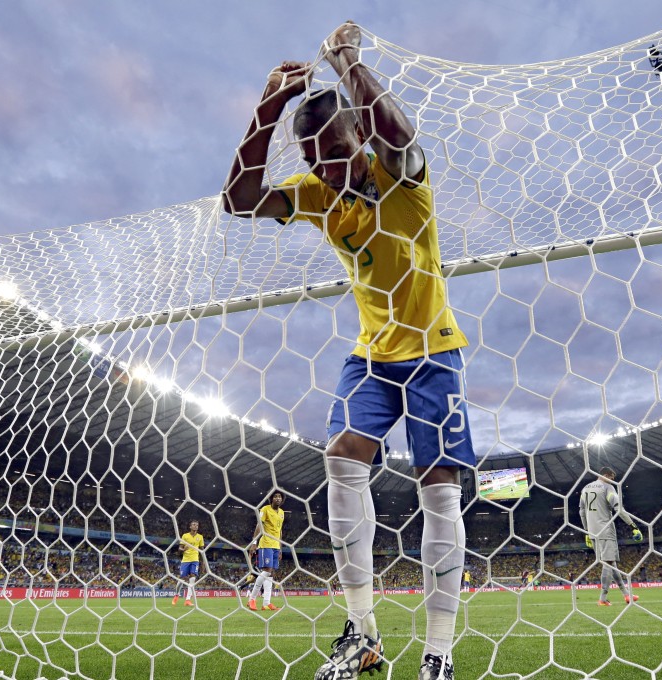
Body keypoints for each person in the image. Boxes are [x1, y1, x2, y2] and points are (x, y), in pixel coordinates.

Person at [222, 20, 474, 680]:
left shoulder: (401, 174)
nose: (326, 168)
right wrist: (269, 107)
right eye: (313, 159)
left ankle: (438, 655)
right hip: (370, 354)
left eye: (334, 151)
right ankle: (361, 636)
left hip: (431, 350)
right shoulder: (319, 194)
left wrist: (347, 65)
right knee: (340, 458)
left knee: (438, 486)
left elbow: (402, 136)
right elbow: (238, 198)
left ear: (358, 135)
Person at [580, 467, 643, 606]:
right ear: (606, 475)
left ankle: (626, 595)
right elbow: (618, 508)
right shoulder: (607, 487)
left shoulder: (585, 488)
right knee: (608, 563)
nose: (613, 480)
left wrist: (586, 531)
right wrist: (633, 526)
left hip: (592, 532)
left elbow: (582, 511)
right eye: (612, 477)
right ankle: (602, 599)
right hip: (605, 530)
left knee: (611, 564)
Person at [248, 491, 285, 612]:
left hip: (275, 545)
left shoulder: (282, 513)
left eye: (279, 497)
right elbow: (259, 525)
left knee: (271, 573)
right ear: (271, 499)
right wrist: (254, 542)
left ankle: (266, 603)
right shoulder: (265, 509)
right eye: (275, 496)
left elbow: (279, 532)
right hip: (266, 544)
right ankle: (252, 599)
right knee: (267, 570)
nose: (278, 498)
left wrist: (280, 548)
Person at [172, 520, 205, 607]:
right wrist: (183, 550)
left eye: (197, 525)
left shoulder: (200, 537)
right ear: (190, 526)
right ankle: (177, 595)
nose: (195, 526)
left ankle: (187, 600)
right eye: (193, 525)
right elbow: (180, 549)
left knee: (192, 578)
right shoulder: (185, 536)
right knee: (182, 579)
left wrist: (203, 563)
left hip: (195, 560)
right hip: (186, 560)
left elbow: (202, 550)